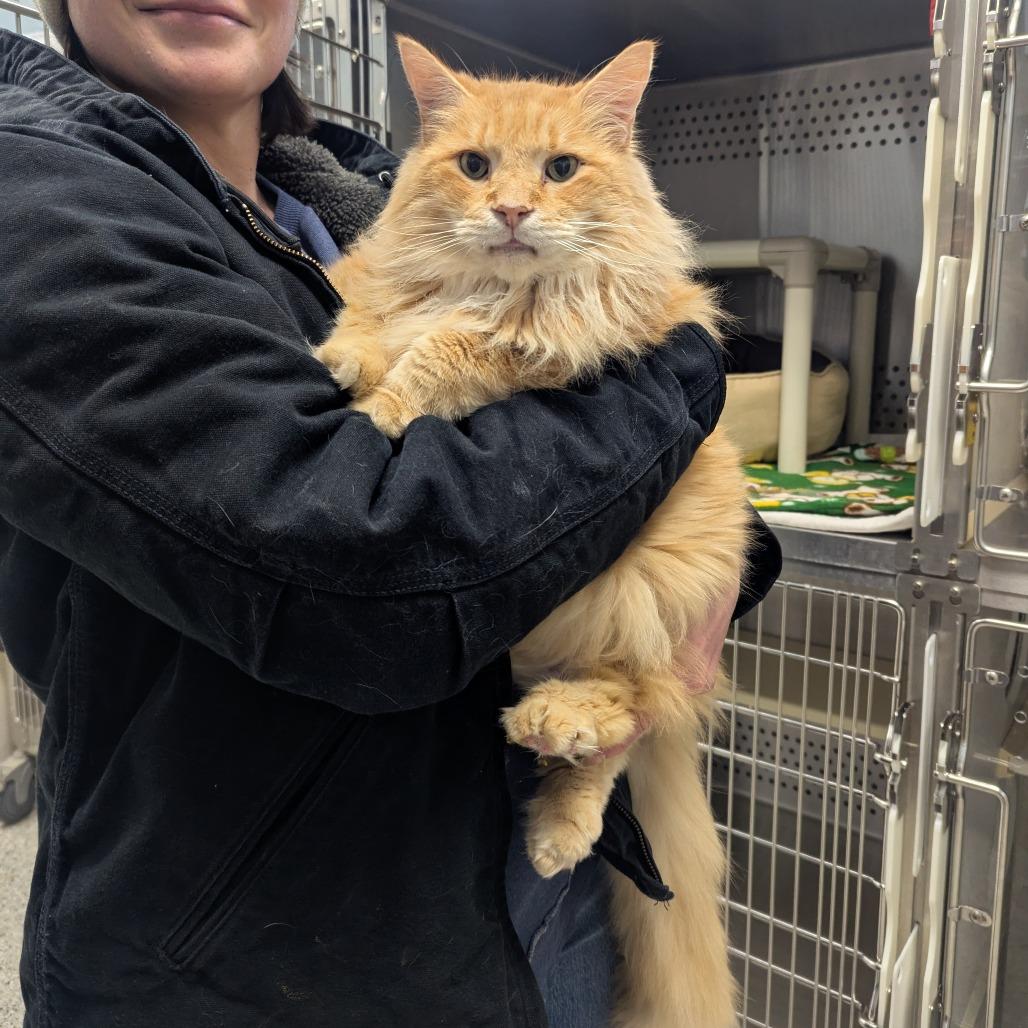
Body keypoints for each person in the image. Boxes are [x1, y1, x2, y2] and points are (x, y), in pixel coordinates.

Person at [0, 5, 780, 1026]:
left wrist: (721, 569)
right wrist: (681, 376)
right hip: (281, 946)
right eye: (478, 168)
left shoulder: (344, 190)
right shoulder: (40, 190)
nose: (509, 198)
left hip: (537, 875)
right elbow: (366, 573)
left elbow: (629, 473)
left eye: (553, 170)